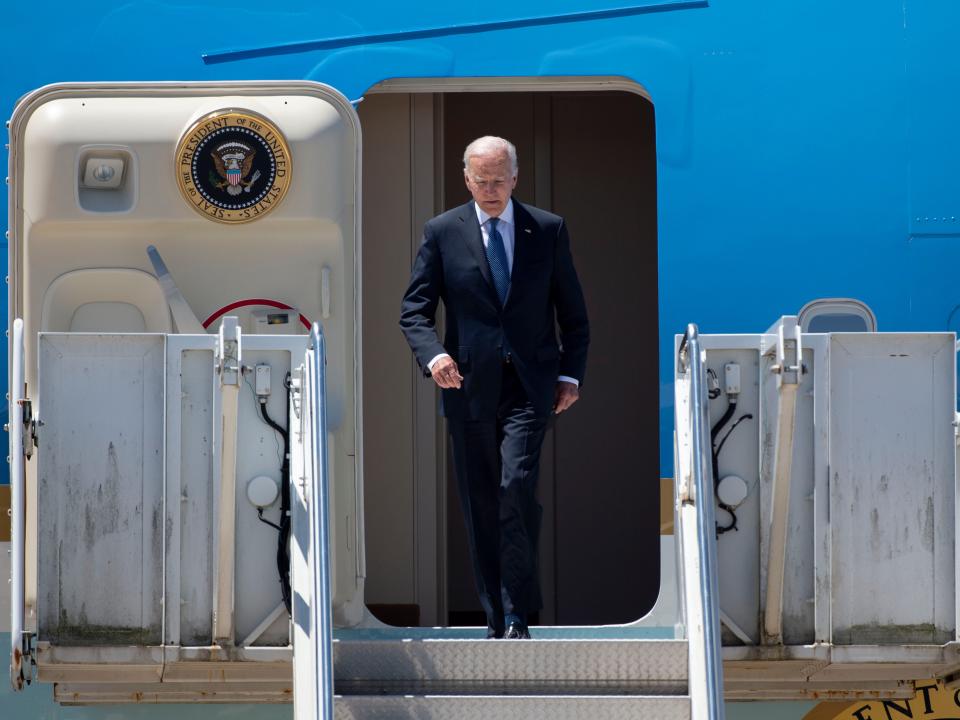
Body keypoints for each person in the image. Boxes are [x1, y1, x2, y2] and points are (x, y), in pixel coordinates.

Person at [400, 136, 589, 639]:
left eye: (498, 180)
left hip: (531, 387)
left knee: (515, 487)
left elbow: (572, 314)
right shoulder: (442, 232)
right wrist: (435, 355)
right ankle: (495, 614)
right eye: (480, 181)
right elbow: (414, 311)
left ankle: (518, 613)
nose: (489, 189)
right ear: (467, 179)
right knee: (480, 500)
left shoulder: (546, 229)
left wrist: (570, 374)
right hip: (467, 387)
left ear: (515, 178)